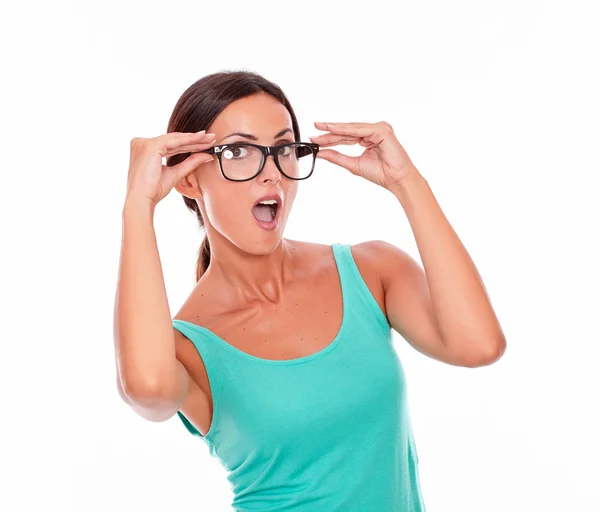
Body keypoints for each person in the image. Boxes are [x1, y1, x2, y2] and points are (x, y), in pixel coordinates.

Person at [114, 70, 506, 511]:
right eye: (239, 151)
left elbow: (479, 345)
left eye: (283, 149)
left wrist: (407, 184)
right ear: (187, 178)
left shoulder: (372, 270)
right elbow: (146, 389)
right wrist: (138, 206)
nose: (271, 174)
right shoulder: (188, 346)